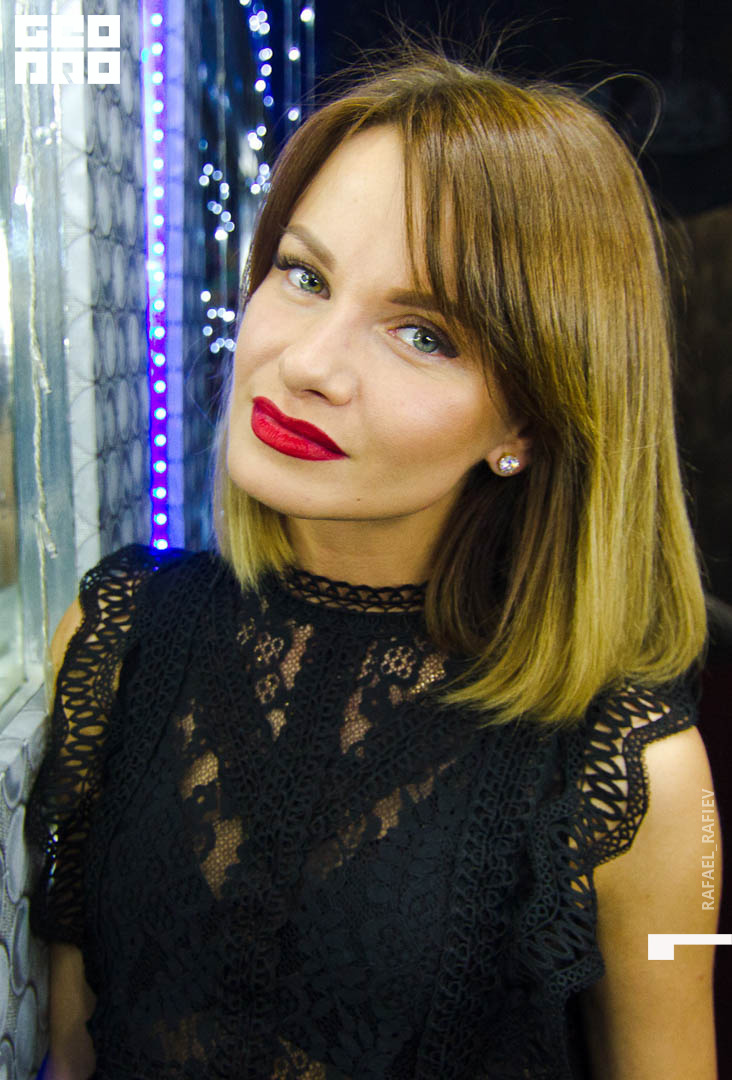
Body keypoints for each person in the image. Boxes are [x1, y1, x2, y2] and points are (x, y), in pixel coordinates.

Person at [27, 47, 719, 1080]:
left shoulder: (640, 772)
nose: (307, 364)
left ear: (527, 423)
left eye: (423, 334)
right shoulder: (115, 641)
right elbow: (71, 1044)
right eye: (303, 276)